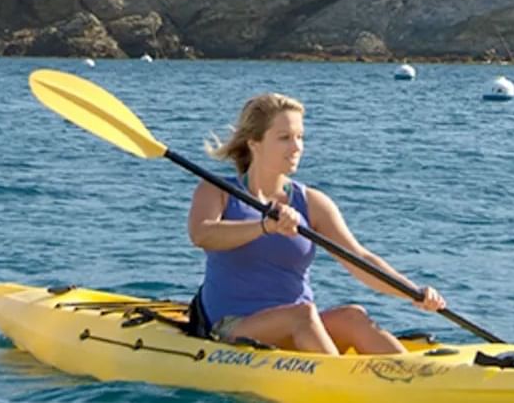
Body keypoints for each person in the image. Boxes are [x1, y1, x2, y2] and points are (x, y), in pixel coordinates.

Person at [188, 92, 446, 353]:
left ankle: (416, 381)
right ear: (254, 142)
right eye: (284, 138)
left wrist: (413, 292)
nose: (297, 146)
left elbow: (359, 259)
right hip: (234, 325)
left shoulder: (312, 202)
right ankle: (343, 386)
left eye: (300, 137)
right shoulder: (217, 190)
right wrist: (265, 226)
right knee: (302, 315)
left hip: (300, 321)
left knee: (353, 316)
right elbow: (202, 234)